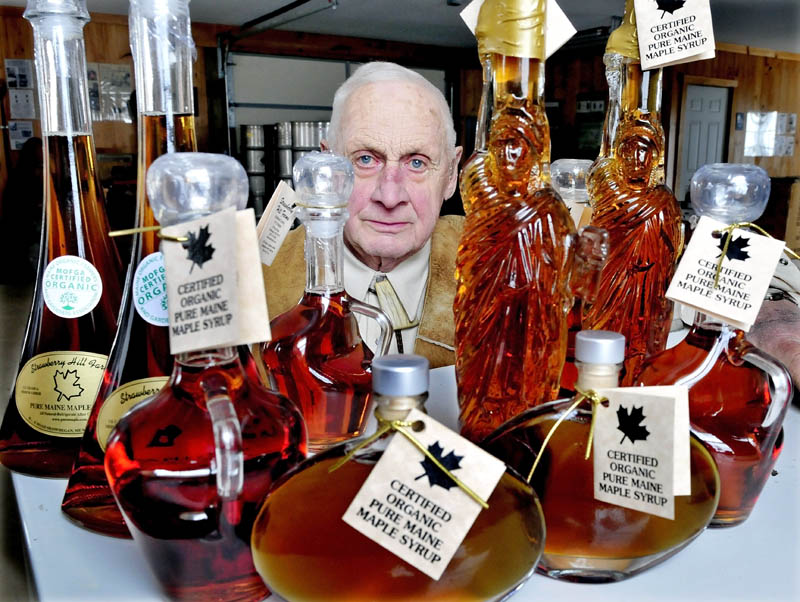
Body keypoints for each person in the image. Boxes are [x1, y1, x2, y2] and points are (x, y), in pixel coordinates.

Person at [261, 62, 463, 368]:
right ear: (327, 170)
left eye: (417, 163)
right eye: (365, 159)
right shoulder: (255, 284)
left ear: (450, 174)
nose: (390, 196)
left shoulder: (502, 268)